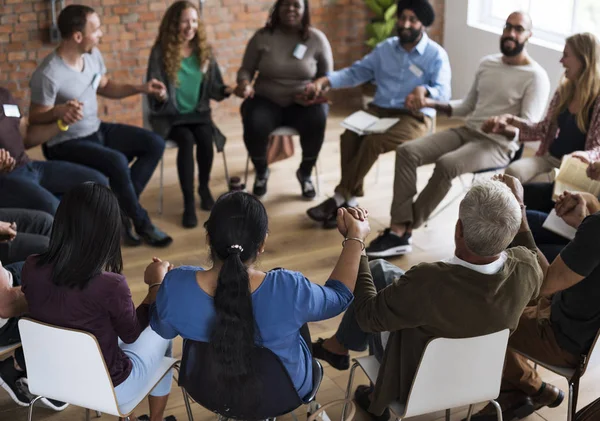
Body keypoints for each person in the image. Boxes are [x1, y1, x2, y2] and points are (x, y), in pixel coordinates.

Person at [311, 177, 543, 421]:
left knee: (378, 281)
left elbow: (368, 317)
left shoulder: (428, 280)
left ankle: (368, 386)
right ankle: (338, 348)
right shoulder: (527, 268)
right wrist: (520, 207)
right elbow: (532, 262)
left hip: (412, 381)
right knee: (381, 272)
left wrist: (356, 243)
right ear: (514, 230)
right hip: (479, 378)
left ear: (459, 230)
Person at [150, 191, 370, 403]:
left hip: (210, 390)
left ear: (208, 238)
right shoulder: (289, 289)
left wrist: (157, 284)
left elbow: (164, 330)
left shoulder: (175, 286)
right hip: (284, 394)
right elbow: (340, 296)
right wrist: (355, 238)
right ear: (262, 243)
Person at [364, 11, 550, 257]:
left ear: (529, 35)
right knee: (407, 151)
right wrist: (429, 102)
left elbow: (528, 129)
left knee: (447, 164)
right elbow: (466, 106)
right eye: (507, 27)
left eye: (518, 29)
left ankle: (403, 230)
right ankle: (400, 227)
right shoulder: (488, 63)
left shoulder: (536, 76)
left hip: (497, 145)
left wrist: (502, 126)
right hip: (468, 130)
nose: (511, 34)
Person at [21, 183, 175, 421]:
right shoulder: (111, 285)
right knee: (166, 328)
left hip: (53, 380)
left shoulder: (31, 266)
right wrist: (156, 285)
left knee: (106, 332)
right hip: (112, 389)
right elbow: (131, 334)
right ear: (108, 231)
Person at [28, 4, 172, 248]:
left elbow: (104, 85)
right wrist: (59, 111)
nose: (101, 34)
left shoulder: (92, 55)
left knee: (155, 143)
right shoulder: (49, 73)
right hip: (65, 142)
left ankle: (122, 209)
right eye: (95, 29)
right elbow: (35, 116)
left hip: (96, 129)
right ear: (77, 36)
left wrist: (141, 88)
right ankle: (141, 221)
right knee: (116, 162)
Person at [306, 0, 451, 228]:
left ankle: (339, 198)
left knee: (374, 142)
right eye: (402, 18)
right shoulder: (385, 49)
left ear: (423, 24)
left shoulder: (436, 55)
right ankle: (350, 201)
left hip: (414, 116)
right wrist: (326, 80)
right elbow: (356, 72)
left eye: (412, 20)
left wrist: (426, 91)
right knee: (349, 136)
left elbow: (443, 94)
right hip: (379, 110)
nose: (405, 24)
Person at [471, 181, 600, 421]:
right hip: (583, 332)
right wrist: (585, 217)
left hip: (562, 338)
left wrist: (518, 210)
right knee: (497, 291)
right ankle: (520, 392)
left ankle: (532, 388)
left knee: (475, 305)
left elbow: (544, 282)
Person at [147, 0, 233, 227]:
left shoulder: (205, 51)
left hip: (199, 114)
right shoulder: (160, 52)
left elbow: (215, 88)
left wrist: (226, 90)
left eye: (194, 21)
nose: (190, 26)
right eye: (185, 21)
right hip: (171, 116)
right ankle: (188, 201)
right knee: (186, 141)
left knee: (206, 138)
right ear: (174, 24)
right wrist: (161, 95)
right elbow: (152, 90)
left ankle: (203, 189)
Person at [235, 0, 334, 199]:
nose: (291, 9)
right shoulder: (262, 37)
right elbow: (246, 69)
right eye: (286, 4)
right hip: (266, 99)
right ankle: (262, 171)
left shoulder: (316, 39)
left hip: (302, 102)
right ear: (277, 8)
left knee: (318, 119)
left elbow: (328, 76)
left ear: (304, 10)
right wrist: (245, 83)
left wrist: (317, 86)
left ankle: (305, 173)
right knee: (253, 120)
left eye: (296, 5)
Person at [486, 32, 600, 185]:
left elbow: (597, 149)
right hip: (550, 158)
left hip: (574, 170)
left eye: (566, 55)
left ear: (583, 60)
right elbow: (543, 129)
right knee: (512, 173)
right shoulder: (563, 92)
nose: (561, 61)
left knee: (533, 186)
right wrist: (512, 120)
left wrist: (586, 156)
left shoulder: (597, 101)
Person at [0, 86, 108, 215]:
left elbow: (26, 137)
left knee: (98, 184)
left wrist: (63, 122)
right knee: (54, 208)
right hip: (7, 177)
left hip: (29, 166)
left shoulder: (4, 95)